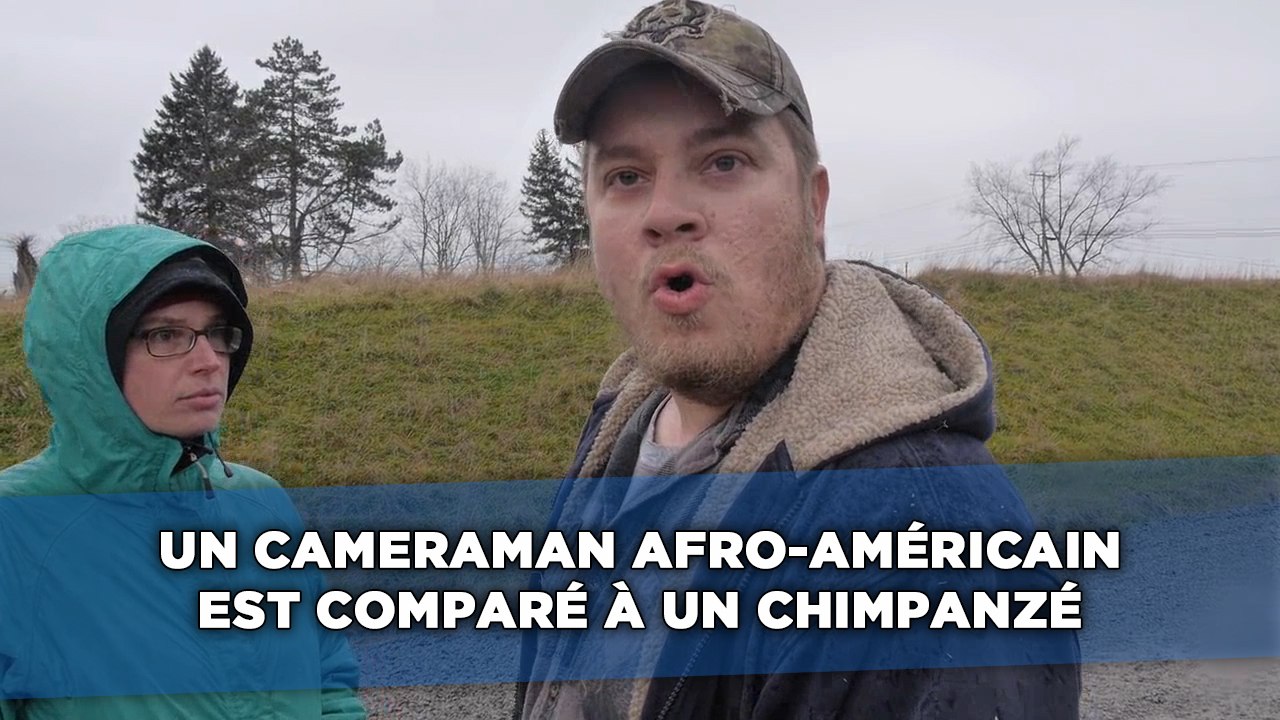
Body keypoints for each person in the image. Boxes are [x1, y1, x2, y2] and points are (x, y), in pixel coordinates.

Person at [515, 1, 1081, 718]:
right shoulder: (617, 434)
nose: (665, 211)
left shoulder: (920, 544)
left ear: (813, 207)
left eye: (723, 162)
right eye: (625, 177)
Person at [0, 225, 366, 719]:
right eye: (166, 334)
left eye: (218, 333)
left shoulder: (263, 503)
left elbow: (328, 677)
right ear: (87, 357)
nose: (208, 360)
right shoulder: (18, 528)